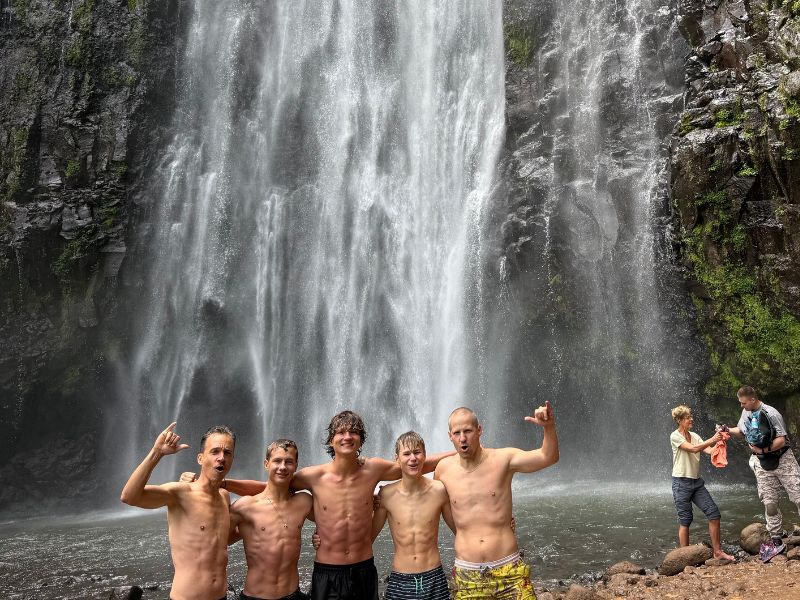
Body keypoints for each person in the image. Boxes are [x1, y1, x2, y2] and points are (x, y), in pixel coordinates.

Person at [223, 410, 453, 600]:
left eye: (353, 432)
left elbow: (416, 464)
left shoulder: (374, 469)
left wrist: (463, 451)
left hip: (363, 567)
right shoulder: (313, 476)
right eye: (341, 432)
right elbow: (272, 484)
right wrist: (223, 483)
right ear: (331, 440)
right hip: (328, 571)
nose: (347, 436)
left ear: (361, 439)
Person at [434, 403, 559, 600]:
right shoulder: (443, 471)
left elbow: (548, 456)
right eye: (457, 433)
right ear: (450, 436)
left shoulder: (503, 459)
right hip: (468, 575)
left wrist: (548, 426)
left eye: (467, 431)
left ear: (479, 430)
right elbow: (439, 506)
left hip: (509, 569)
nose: (463, 438)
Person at [121, 423, 235, 600]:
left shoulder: (224, 497)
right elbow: (129, 497)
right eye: (214, 452)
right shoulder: (181, 493)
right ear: (200, 458)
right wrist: (157, 452)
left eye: (227, 453)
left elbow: (218, 542)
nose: (221, 458)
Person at [370, 431, 455, 600]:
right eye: (406, 454)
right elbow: (368, 537)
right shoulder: (386, 494)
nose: (413, 458)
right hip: (400, 578)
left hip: (434, 576)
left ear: (424, 455)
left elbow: (461, 530)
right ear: (397, 458)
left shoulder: (439, 490)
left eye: (417, 452)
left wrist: (500, 525)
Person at [228, 439, 313, 600]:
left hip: (293, 595)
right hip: (255, 596)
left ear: (296, 465)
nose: (282, 467)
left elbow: (332, 519)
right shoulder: (244, 506)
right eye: (277, 461)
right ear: (266, 464)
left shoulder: (304, 502)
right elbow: (215, 542)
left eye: (288, 462)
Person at [728, 385, 800, 562]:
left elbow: (782, 440)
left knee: (798, 496)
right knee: (769, 503)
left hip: (782, 459)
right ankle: (776, 541)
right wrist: (727, 431)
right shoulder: (746, 412)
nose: (741, 406)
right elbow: (741, 431)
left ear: (753, 399)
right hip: (761, 463)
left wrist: (763, 450)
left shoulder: (771, 413)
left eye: (743, 403)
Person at [669, 405, 735, 562]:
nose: (691, 419)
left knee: (714, 514)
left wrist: (720, 441)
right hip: (681, 483)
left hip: (697, 483)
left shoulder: (695, 435)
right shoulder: (675, 436)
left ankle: (717, 552)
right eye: (687, 417)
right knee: (685, 520)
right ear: (679, 420)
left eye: (691, 416)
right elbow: (692, 449)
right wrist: (712, 439)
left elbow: (709, 450)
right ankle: (685, 557)